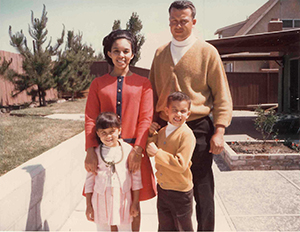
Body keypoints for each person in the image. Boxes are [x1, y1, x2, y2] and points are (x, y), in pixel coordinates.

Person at [149, 1, 233, 231]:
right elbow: (152, 91)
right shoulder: (160, 53)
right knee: (171, 189)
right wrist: (153, 122)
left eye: (183, 21)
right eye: (173, 21)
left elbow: (222, 94)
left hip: (198, 129)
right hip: (167, 129)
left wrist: (220, 130)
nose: (178, 25)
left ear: (193, 22)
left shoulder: (207, 52)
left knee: (203, 190)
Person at [84, 29, 156, 231]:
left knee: (133, 204)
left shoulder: (143, 84)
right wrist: (90, 150)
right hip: (105, 152)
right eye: (116, 51)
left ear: (133, 53)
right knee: (110, 202)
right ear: (109, 53)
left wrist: (138, 151)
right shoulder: (98, 84)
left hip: (134, 150)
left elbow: (145, 119)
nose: (121, 56)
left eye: (126, 51)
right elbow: (90, 118)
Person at [147, 92, 196, 231]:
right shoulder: (162, 132)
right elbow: (150, 149)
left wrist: (157, 152)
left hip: (180, 192)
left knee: (182, 228)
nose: (178, 114)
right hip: (163, 189)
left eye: (183, 111)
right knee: (164, 227)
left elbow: (181, 165)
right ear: (167, 111)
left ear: (188, 114)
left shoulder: (186, 135)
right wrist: (151, 135)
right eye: (174, 110)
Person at [85, 112, 142, 231]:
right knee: (103, 228)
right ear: (98, 134)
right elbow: (89, 181)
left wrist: (135, 202)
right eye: (103, 133)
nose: (108, 136)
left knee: (125, 227)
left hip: (123, 199)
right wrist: (89, 205)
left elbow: (136, 179)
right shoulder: (95, 153)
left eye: (112, 131)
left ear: (119, 130)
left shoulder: (128, 150)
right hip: (100, 199)